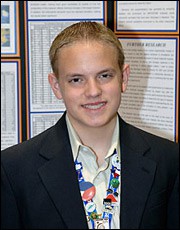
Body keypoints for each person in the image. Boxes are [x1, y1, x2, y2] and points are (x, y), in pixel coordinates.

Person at [1, 21, 179, 229]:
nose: (93, 91)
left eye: (104, 76)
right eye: (76, 80)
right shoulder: (14, 169)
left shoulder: (169, 160)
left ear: (124, 77)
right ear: (56, 86)